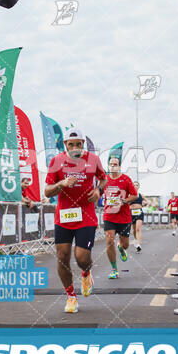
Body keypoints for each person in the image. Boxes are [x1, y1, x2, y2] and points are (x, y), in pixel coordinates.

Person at [44, 127, 106, 313]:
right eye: (70, 145)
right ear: (65, 145)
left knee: (81, 257)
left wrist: (98, 191)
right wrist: (61, 184)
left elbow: (103, 179)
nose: (75, 148)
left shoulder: (93, 160)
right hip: (63, 216)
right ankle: (71, 296)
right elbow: (47, 191)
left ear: (83, 144)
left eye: (78, 144)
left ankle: (86, 273)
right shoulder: (56, 161)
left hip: (86, 216)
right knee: (62, 258)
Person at [103, 157, 137, 279]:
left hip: (124, 217)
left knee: (125, 244)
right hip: (109, 215)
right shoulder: (104, 180)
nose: (112, 166)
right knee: (109, 240)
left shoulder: (126, 179)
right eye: (111, 164)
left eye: (115, 164)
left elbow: (134, 195)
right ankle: (114, 269)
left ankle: (122, 249)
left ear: (119, 166)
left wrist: (123, 201)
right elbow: (97, 193)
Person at [130, 181, 147, 252]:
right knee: (133, 230)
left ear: (138, 186)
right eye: (134, 185)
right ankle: (136, 239)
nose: (135, 186)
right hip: (131, 213)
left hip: (139, 212)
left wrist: (145, 203)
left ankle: (138, 244)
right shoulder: (129, 195)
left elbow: (146, 202)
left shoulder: (141, 195)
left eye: (137, 185)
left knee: (138, 229)